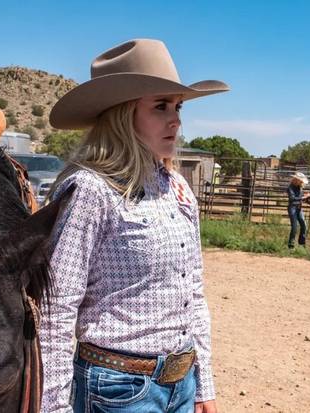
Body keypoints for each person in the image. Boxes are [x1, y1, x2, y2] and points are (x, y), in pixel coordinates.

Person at [40, 39, 228, 413]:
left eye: (177, 107)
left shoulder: (177, 187)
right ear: (121, 115)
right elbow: (57, 308)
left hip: (181, 383)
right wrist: (54, 407)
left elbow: (194, 293)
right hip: (118, 390)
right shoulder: (91, 190)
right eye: (160, 106)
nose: (175, 119)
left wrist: (203, 383)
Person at [286, 172, 309, 248]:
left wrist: (305, 196)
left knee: (304, 225)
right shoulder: (290, 188)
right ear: (296, 180)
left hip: (298, 208)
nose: (302, 182)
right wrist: (303, 198)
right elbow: (292, 198)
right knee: (294, 227)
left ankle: (301, 243)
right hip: (292, 208)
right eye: (300, 180)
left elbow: (300, 197)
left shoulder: (299, 187)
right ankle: (291, 244)